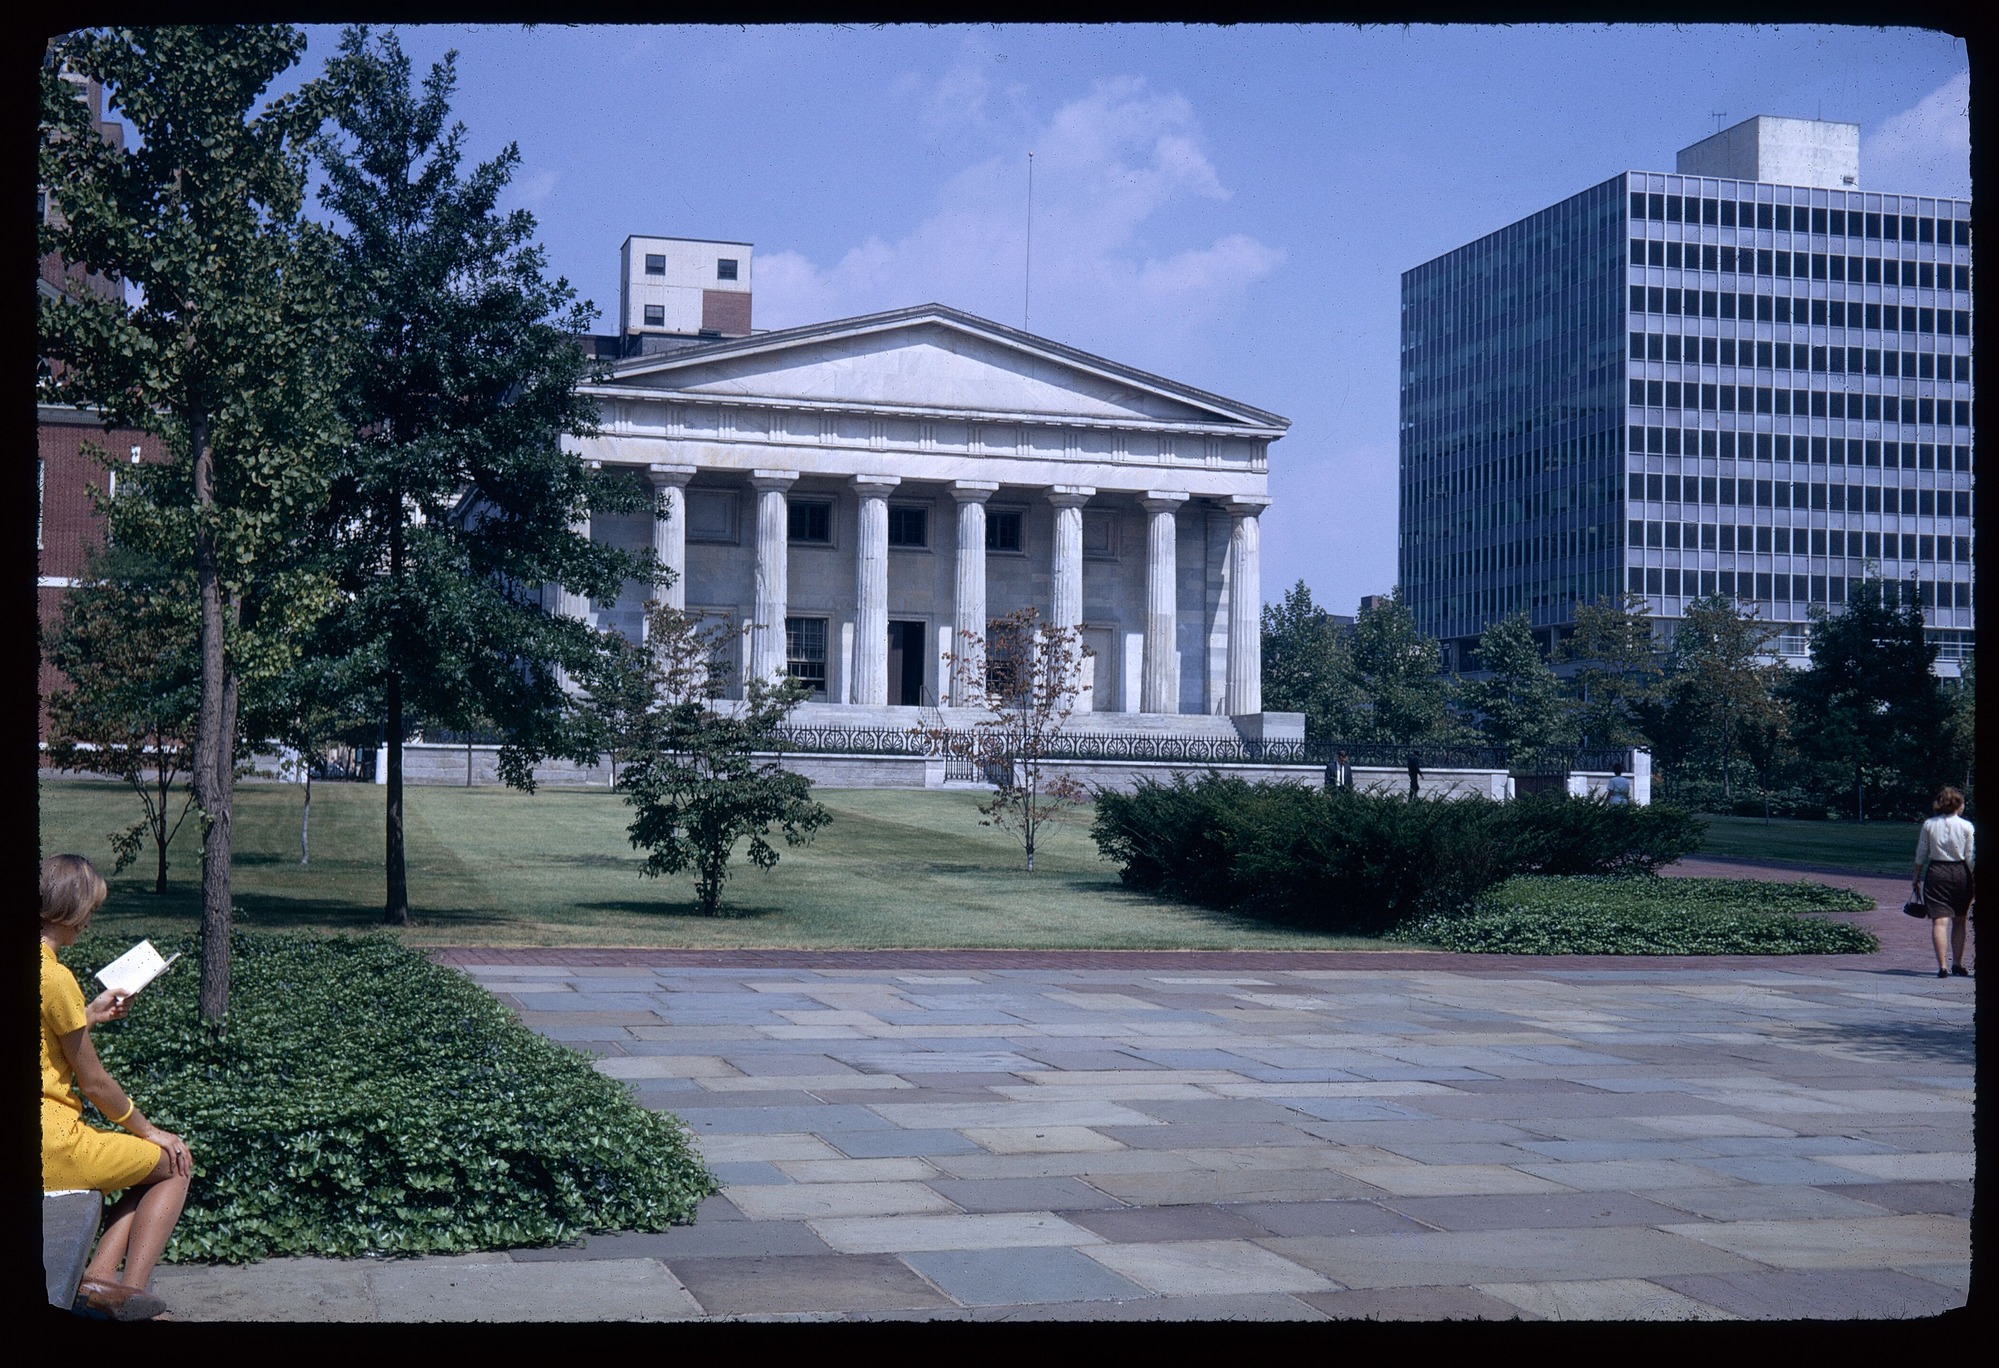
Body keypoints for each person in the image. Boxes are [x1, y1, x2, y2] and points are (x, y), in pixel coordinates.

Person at [40, 855, 192, 1320]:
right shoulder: (57, 978)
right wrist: (149, 1131)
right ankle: (132, 1293)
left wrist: (89, 1014)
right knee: (175, 1162)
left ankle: (100, 1280)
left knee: (141, 1173)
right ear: (67, 909)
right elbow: (96, 1082)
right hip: (55, 1148)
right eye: (88, 909)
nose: (89, 921)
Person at [1912, 788, 1975, 979]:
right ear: (1958, 804)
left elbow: (1921, 853)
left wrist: (1916, 877)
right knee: (1960, 919)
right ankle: (1958, 963)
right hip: (1960, 872)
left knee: (1939, 921)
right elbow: (1970, 856)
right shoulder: (1966, 826)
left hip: (1937, 871)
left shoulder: (1930, 824)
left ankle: (1942, 965)